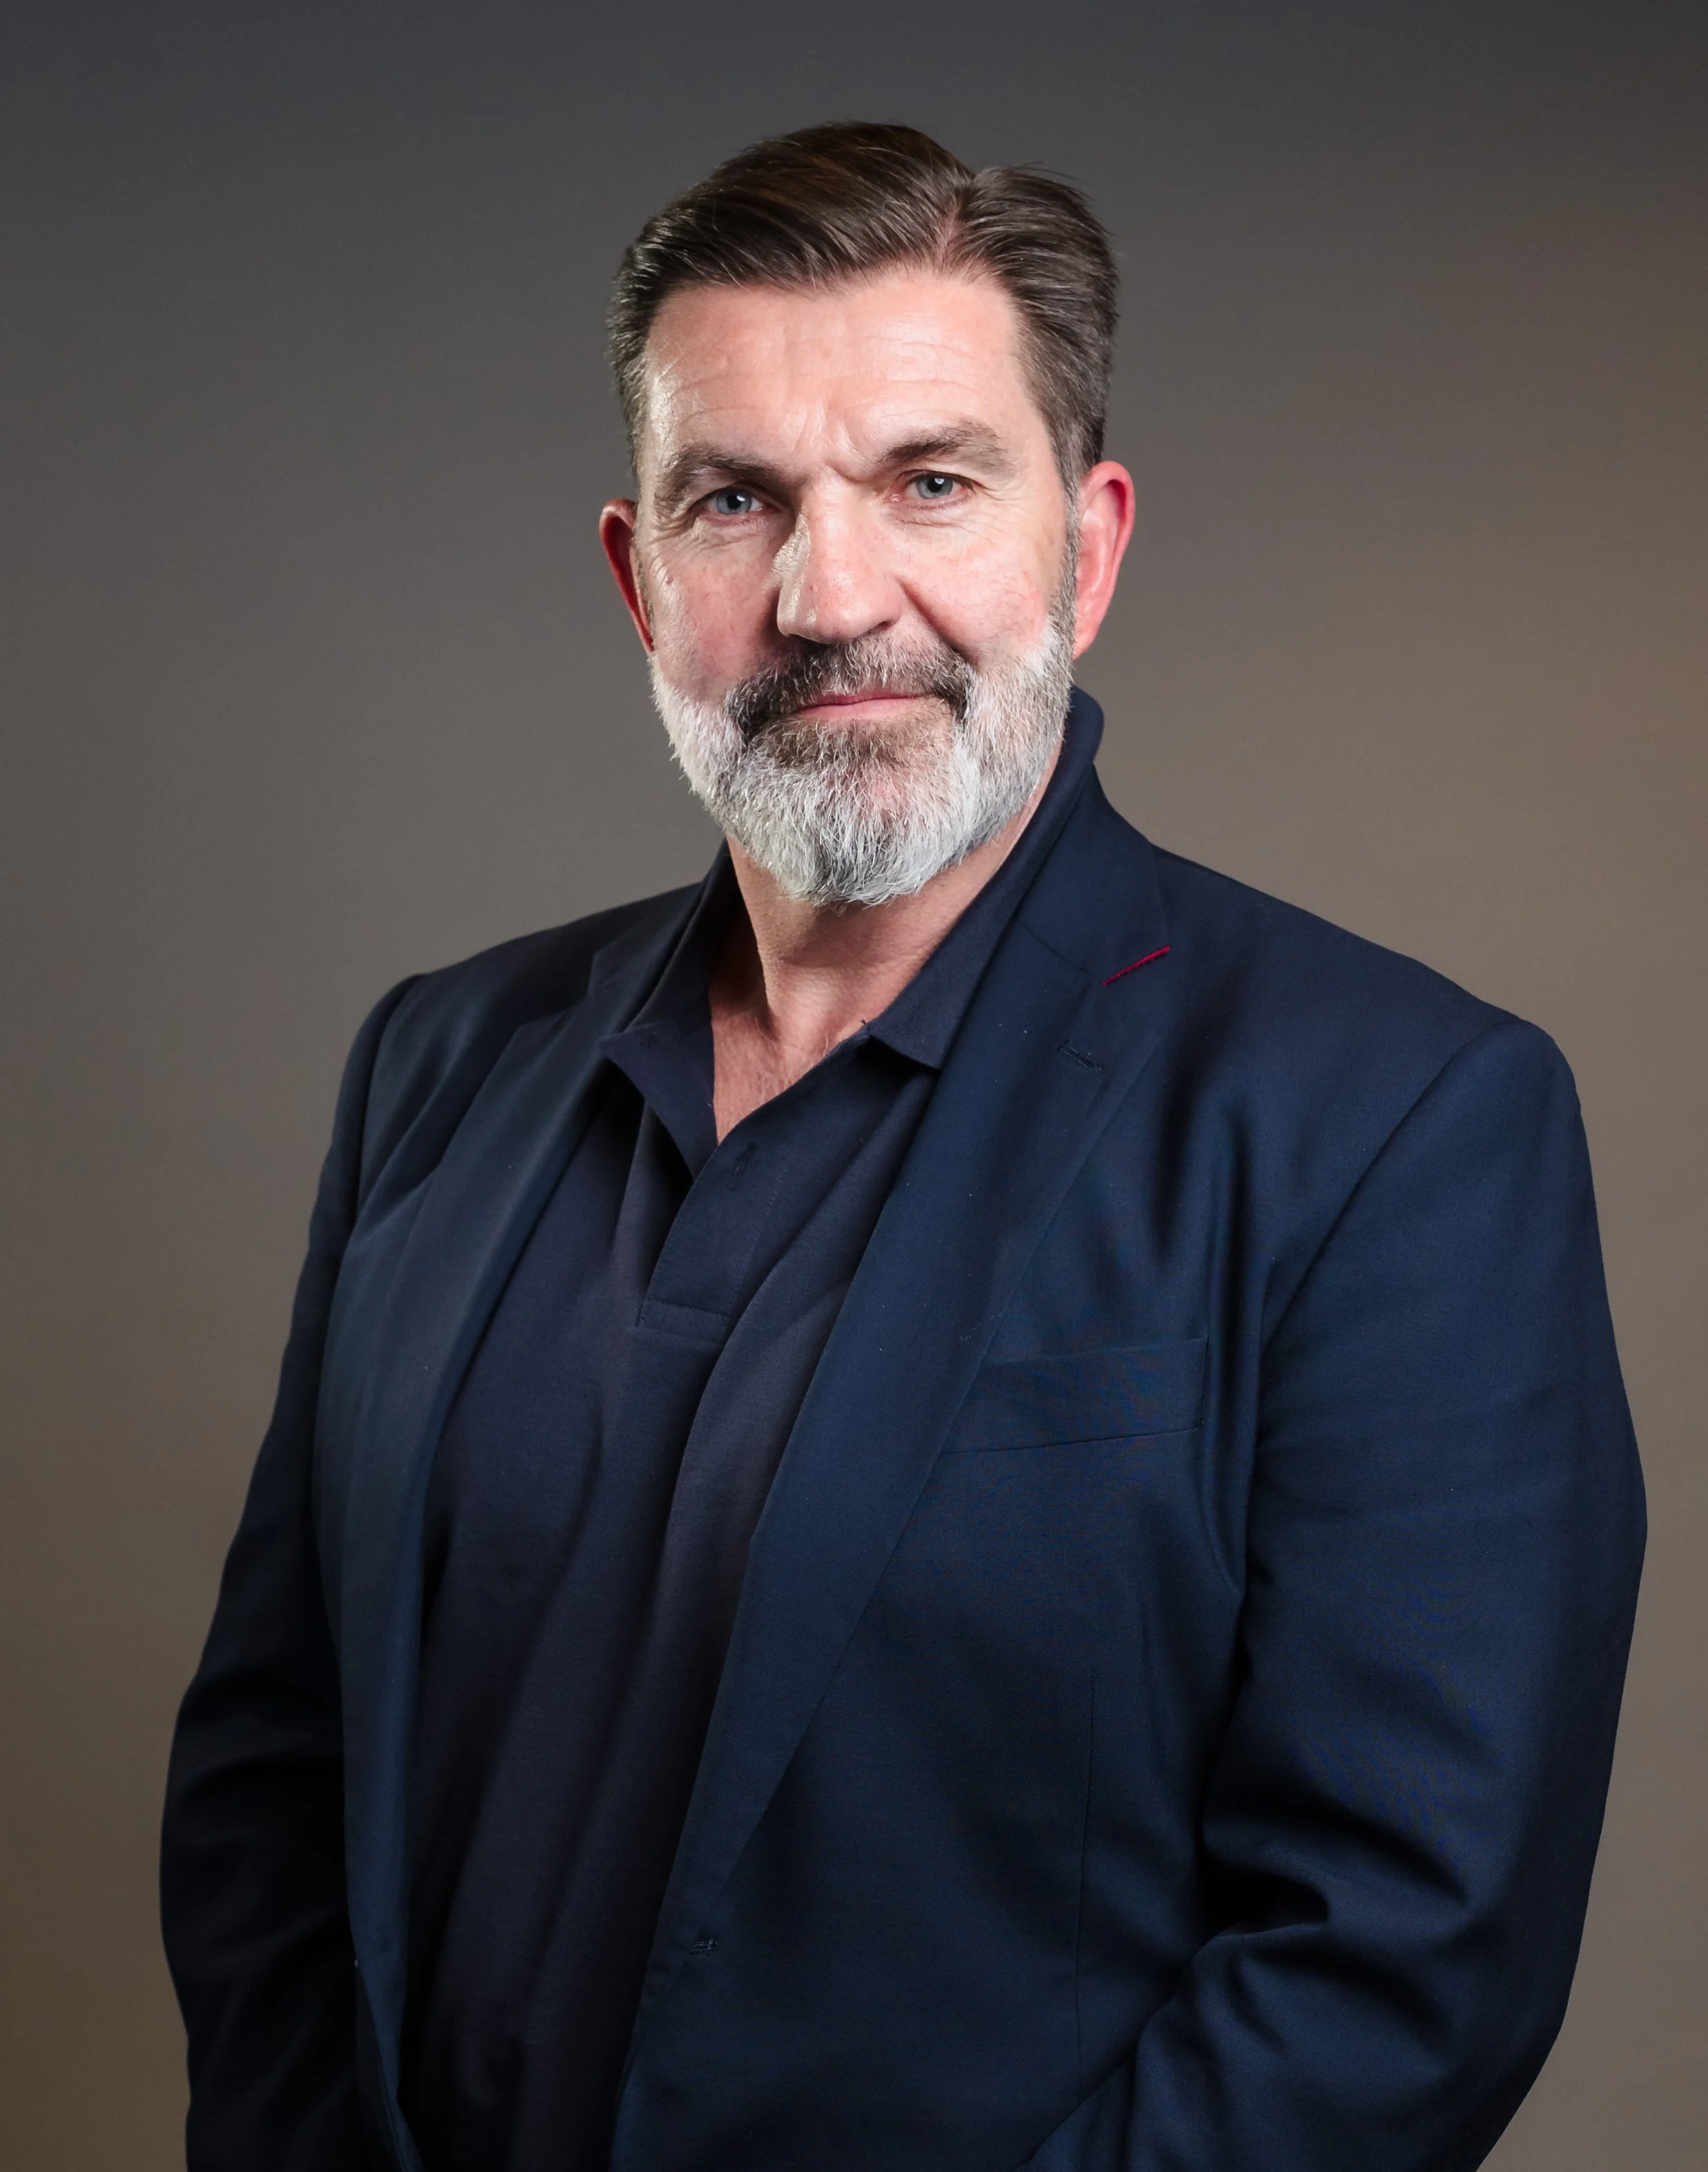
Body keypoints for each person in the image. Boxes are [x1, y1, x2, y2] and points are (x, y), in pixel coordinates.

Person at [160, 122, 1644, 2172]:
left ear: (1089, 549)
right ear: (636, 575)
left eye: (931, 482)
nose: (829, 592)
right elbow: (272, 1771)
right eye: (735, 498)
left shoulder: (1391, 1121)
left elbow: (1401, 1957)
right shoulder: (442, 1059)